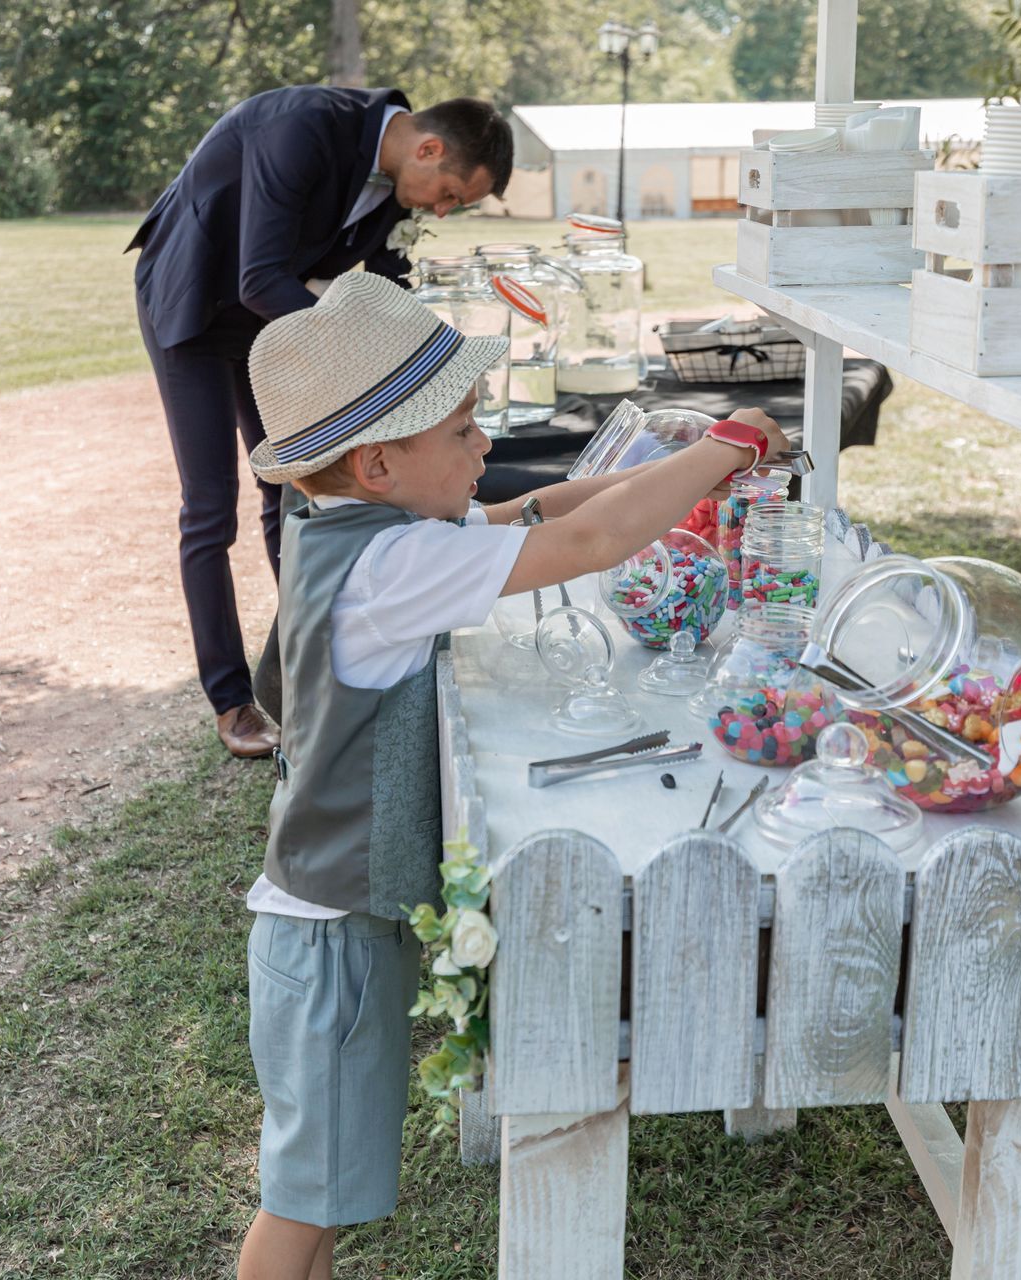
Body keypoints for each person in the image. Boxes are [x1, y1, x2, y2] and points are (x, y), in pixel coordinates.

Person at [235, 272, 786, 1280]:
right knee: (300, 1204)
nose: (483, 444)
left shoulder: (359, 531)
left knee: (321, 1196)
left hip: (328, 924)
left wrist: (679, 469)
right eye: (463, 431)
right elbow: (585, 543)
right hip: (330, 946)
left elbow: (540, 506)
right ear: (380, 459)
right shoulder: (393, 566)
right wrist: (730, 446)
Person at [128, 87, 514, 759]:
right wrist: (359, 358)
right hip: (191, 300)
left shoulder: (400, 186)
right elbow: (258, 275)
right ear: (427, 148)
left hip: (269, 322)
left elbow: (386, 295)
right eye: (450, 192)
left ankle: (308, 666)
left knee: (301, 486)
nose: (444, 211)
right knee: (210, 506)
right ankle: (231, 698)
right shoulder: (303, 127)